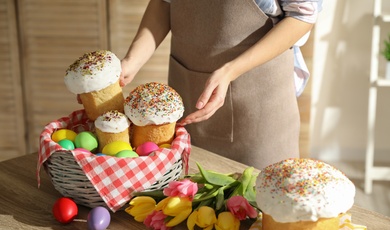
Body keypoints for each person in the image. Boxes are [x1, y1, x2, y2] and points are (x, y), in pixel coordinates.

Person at [120, 0, 323, 170]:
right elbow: (164, 3)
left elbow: (301, 16)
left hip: (259, 106)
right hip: (189, 93)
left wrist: (231, 70)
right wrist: (132, 61)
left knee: (261, 201)